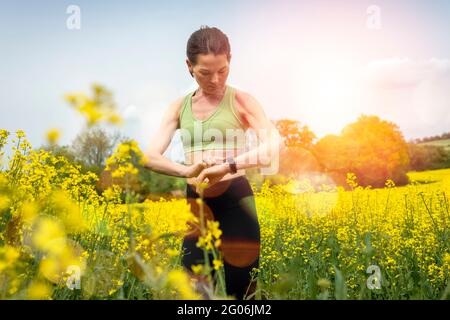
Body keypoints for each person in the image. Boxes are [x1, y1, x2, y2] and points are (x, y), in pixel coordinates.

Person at [144, 26, 284, 300]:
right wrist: (186, 170)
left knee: (241, 293)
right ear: (189, 66)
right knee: (195, 293)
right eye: (205, 73)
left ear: (230, 61)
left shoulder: (242, 101)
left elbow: (273, 145)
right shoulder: (178, 107)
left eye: (223, 70)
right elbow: (149, 156)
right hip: (197, 206)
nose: (216, 80)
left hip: (236, 204)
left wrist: (228, 165)